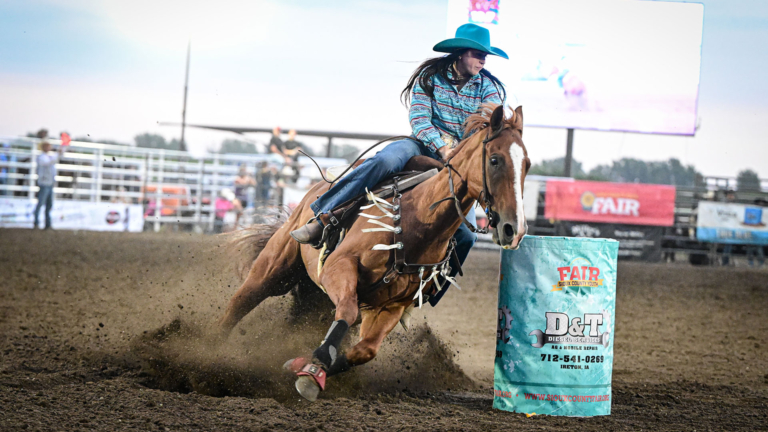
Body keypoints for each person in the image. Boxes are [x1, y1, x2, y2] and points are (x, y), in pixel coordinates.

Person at [290, 23, 507, 306]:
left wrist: (461, 152)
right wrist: (441, 146)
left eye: (485, 56)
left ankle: (428, 293)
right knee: (385, 160)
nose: (482, 60)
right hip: (421, 144)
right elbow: (419, 119)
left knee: (466, 237)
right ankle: (324, 216)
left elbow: (491, 127)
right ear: (460, 53)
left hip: (458, 160)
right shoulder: (430, 78)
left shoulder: (488, 88)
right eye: (477, 54)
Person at [33, 140, 66, 229]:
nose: (49, 148)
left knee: (48, 204)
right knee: (41, 203)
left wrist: (61, 150)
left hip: (49, 184)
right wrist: (58, 153)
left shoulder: (47, 157)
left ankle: (47, 224)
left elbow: (53, 160)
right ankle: (37, 222)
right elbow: (49, 161)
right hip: (45, 184)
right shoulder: (42, 157)